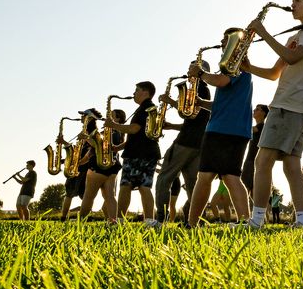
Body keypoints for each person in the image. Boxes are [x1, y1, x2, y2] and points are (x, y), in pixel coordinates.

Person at [246, 0, 303, 229]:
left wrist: (263, 32)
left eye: (298, 1)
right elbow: (274, 74)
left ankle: (257, 220)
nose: (292, 4)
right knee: (292, 166)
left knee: (263, 161)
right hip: (292, 106)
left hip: (288, 106)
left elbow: (292, 59)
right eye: (293, 0)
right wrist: (248, 67)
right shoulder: (296, 36)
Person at [186, 30, 254, 227]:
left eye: (226, 39)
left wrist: (200, 73)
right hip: (238, 129)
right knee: (231, 176)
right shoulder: (242, 65)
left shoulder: (233, 63)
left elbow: (221, 81)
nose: (222, 42)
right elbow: (225, 101)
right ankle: (245, 222)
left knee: (205, 175)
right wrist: (201, 102)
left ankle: (192, 223)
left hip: (221, 129)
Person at [154, 71, 212, 224]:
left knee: (163, 179)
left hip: (184, 143)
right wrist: (171, 126)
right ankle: (196, 221)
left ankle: (160, 219)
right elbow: (194, 123)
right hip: (199, 144)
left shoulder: (198, 89)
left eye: (191, 69)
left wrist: (170, 101)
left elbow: (189, 113)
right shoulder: (206, 91)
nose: (188, 73)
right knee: (194, 186)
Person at [104, 82, 161, 226]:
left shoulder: (145, 108)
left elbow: (135, 129)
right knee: (137, 186)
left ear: (145, 92)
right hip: (145, 152)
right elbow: (139, 135)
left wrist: (114, 125)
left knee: (132, 186)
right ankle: (145, 220)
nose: (134, 93)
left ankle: (123, 221)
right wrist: (119, 147)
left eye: (137, 90)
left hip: (139, 153)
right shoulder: (147, 108)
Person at [80, 109, 126, 223]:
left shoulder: (113, 132)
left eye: (112, 116)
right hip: (112, 167)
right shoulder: (117, 132)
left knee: (89, 196)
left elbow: (99, 146)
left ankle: (81, 221)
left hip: (99, 166)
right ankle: (113, 222)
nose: (108, 118)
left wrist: (86, 138)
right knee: (109, 196)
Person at [241, 104, 268, 194]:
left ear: (264, 113)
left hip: (252, 161)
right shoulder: (258, 127)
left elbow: (252, 129)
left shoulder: (262, 126)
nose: (254, 110)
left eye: (257, 109)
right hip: (251, 160)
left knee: (245, 188)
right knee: (253, 191)